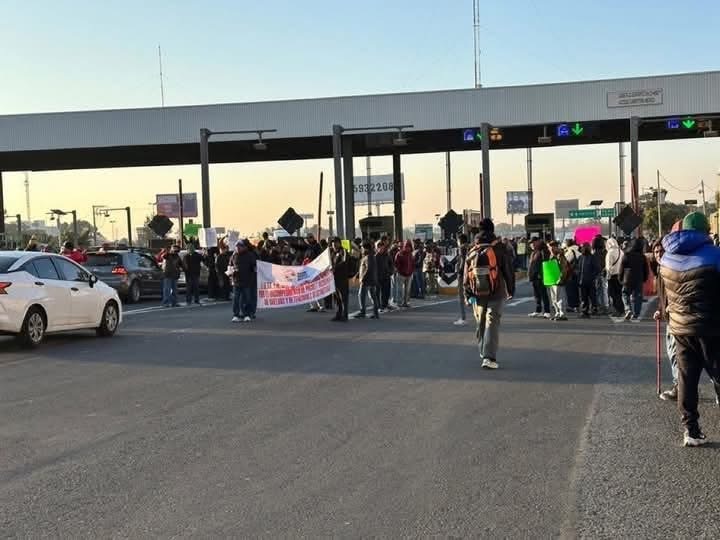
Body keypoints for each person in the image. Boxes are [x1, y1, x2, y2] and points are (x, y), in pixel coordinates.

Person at [659, 212, 720, 447]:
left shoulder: (666, 257)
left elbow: (664, 295)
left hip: (680, 328)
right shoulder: (714, 255)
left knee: (686, 379)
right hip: (711, 327)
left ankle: (691, 431)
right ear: (705, 231)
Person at [464, 219, 515, 370]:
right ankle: (489, 357)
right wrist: (511, 289)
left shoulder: (473, 248)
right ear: (493, 230)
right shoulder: (499, 247)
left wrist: (467, 294)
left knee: (480, 323)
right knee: (491, 323)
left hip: (477, 293)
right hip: (496, 291)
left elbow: (466, 273)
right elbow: (508, 269)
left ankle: (483, 351)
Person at [619, 238, 648, 321]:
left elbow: (622, 268)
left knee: (625, 294)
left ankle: (628, 309)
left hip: (627, 278)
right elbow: (646, 269)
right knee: (638, 297)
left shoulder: (627, 255)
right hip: (639, 279)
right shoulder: (642, 257)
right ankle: (636, 314)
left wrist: (620, 278)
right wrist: (645, 278)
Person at [230, 240, 257, 323]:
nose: (238, 248)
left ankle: (247, 315)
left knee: (247, 299)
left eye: (240, 246)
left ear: (244, 247)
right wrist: (231, 273)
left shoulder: (250, 255)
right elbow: (230, 266)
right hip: (236, 281)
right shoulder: (234, 256)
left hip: (247, 282)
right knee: (236, 299)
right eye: (237, 246)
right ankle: (236, 315)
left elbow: (255, 268)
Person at [355, 241, 380, 319]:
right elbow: (364, 268)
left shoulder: (369, 256)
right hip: (371, 280)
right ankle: (375, 313)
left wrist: (363, 278)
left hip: (367, 280)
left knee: (361, 295)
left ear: (366, 248)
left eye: (362, 248)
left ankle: (363, 312)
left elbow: (369, 269)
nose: (361, 249)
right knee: (373, 296)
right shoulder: (369, 256)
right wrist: (357, 275)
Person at [528, 239, 551, 319]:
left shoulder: (542, 252)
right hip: (534, 276)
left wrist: (541, 274)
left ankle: (547, 311)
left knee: (543, 294)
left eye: (532, 243)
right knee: (537, 295)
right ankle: (538, 311)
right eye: (530, 244)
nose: (531, 245)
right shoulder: (533, 253)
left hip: (540, 276)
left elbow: (544, 263)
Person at [547, 241, 569, 321]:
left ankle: (562, 314)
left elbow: (564, 268)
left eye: (552, 247)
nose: (551, 249)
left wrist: (561, 278)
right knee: (554, 298)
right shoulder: (551, 255)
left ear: (556, 247)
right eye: (550, 247)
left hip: (559, 280)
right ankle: (557, 313)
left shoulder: (560, 256)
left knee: (560, 297)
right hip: (552, 279)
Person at [577, 243, 600, 318]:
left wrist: (592, 277)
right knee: (583, 297)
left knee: (592, 296)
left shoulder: (592, 257)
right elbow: (578, 268)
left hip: (589, 280)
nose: (583, 249)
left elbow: (597, 269)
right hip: (582, 280)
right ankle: (585, 311)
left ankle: (593, 309)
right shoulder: (580, 257)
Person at [330, 237, 349, 322]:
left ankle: (345, 315)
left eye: (335, 243)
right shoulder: (333, 253)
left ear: (339, 243)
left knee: (343, 297)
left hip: (342, 278)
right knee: (336, 298)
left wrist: (335, 267)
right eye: (332, 244)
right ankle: (338, 314)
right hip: (334, 278)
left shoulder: (343, 251)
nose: (333, 245)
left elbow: (344, 262)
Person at [605, 237, 625, 317]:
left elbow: (608, 267)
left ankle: (617, 310)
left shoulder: (610, 253)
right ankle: (622, 309)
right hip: (620, 275)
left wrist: (607, 276)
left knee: (613, 294)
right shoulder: (621, 251)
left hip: (612, 276)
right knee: (619, 293)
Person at [454, 234, 470, 326]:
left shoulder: (461, 248)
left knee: (461, 296)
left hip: (462, 275)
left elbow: (463, 261)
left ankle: (463, 317)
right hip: (470, 274)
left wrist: (460, 271)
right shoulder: (470, 247)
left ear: (460, 241)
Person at [394, 240, 414, 308]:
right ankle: (399, 302)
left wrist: (411, 271)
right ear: (404, 247)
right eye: (406, 246)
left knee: (407, 290)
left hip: (409, 274)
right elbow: (396, 264)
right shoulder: (400, 254)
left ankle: (406, 302)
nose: (408, 248)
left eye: (409, 246)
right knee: (400, 289)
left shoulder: (411, 254)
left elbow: (412, 264)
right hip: (401, 274)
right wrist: (400, 271)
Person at [375, 239, 393, 312]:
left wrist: (390, 271)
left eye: (383, 248)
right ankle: (379, 306)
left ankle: (385, 305)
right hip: (378, 277)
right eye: (380, 248)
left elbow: (391, 264)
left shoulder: (387, 255)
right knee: (377, 293)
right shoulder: (375, 256)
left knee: (386, 292)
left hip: (386, 276)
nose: (382, 249)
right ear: (377, 248)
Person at [563, 239, 581, 313]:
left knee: (570, 290)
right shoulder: (578, 250)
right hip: (578, 273)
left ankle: (572, 306)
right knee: (576, 291)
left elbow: (565, 261)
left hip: (571, 274)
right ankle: (577, 306)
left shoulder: (570, 251)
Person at [591, 235, 608, 314]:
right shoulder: (605, 252)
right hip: (603, 273)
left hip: (597, 273)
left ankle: (598, 306)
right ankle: (605, 306)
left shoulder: (594, 254)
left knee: (597, 290)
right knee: (604, 290)